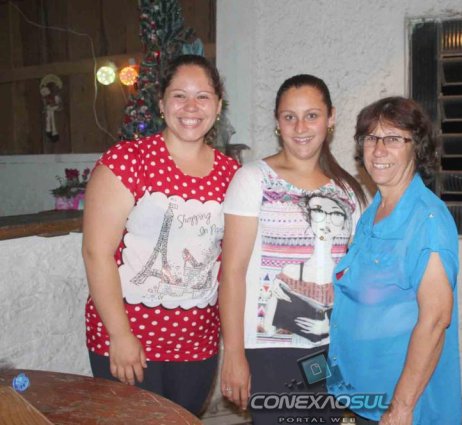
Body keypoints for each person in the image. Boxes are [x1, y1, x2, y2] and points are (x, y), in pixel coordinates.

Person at [82, 54, 239, 415]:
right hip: (129, 336)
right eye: (179, 95)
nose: (191, 107)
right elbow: (96, 253)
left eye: (202, 96)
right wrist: (120, 335)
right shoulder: (127, 161)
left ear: (218, 106)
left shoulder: (232, 174)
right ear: (162, 104)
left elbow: (230, 261)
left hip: (197, 342)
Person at [219, 74, 366, 424]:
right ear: (277, 122)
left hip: (329, 351)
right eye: (290, 117)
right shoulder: (253, 179)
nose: (301, 127)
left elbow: (354, 278)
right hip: (269, 350)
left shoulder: (349, 191)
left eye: (312, 115)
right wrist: (234, 354)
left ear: (330, 118)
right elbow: (232, 273)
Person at [327, 97, 462, 425]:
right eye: (370, 138)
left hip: (403, 406)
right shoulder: (374, 211)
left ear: (417, 147)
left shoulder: (428, 220)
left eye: (392, 139)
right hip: (370, 394)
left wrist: (401, 407)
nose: (378, 150)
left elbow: (435, 320)